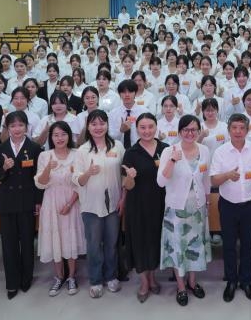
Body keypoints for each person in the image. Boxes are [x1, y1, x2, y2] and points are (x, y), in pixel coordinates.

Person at [158, 114, 212, 306]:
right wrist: (172, 161)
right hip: (176, 211)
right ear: (180, 131)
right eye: (186, 129)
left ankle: (192, 282)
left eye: (194, 129)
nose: (190, 133)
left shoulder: (204, 150)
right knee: (178, 248)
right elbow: (161, 181)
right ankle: (181, 287)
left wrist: (207, 201)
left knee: (195, 247)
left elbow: (206, 178)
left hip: (197, 208)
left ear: (199, 131)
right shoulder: (169, 151)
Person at [211, 114, 251, 302]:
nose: (238, 131)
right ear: (229, 130)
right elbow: (213, 180)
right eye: (234, 128)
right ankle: (231, 281)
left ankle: (246, 281)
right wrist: (227, 175)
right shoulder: (220, 152)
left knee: (248, 245)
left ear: (247, 130)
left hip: (249, 204)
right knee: (229, 245)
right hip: (228, 205)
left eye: (242, 128)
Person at [73, 109, 125, 298]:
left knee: (111, 243)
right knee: (94, 245)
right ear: (88, 126)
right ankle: (95, 280)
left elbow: (124, 174)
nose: (98, 127)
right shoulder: (82, 150)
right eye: (94, 124)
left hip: (114, 202)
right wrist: (88, 173)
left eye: (102, 123)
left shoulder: (117, 146)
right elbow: (77, 180)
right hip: (91, 205)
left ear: (107, 125)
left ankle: (111, 276)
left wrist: (123, 198)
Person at [0, 111, 43, 299]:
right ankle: (12, 283)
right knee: (9, 244)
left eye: (20, 125)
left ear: (26, 127)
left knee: (28, 242)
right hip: (7, 202)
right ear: (7, 128)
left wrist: (38, 201)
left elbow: (38, 178)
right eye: (12, 126)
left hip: (27, 201)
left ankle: (26, 278)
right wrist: (4, 168)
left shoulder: (35, 148)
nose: (17, 129)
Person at [35, 121, 85, 297]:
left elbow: (80, 183)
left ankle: (71, 276)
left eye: (63, 134)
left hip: (72, 201)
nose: (60, 138)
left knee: (70, 237)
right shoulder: (44, 156)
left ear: (69, 136)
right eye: (56, 135)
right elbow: (40, 183)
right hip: (51, 202)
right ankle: (58, 276)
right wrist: (48, 169)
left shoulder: (77, 154)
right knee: (55, 238)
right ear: (51, 137)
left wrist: (70, 203)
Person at [123, 112, 168, 302]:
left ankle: (153, 277)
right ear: (137, 129)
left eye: (150, 127)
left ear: (156, 127)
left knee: (155, 239)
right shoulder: (131, 153)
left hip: (160, 203)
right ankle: (143, 282)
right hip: (138, 205)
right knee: (140, 241)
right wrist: (130, 177)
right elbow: (127, 186)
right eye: (142, 127)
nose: (147, 131)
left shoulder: (165, 149)